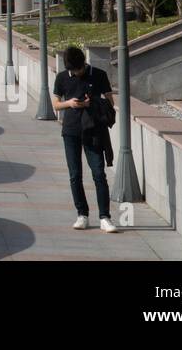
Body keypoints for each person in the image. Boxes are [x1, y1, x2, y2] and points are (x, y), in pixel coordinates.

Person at [52, 46, 118, 232]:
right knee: (75, 175)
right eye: (72, 70)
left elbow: (111, 103)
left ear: (84, 64)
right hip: (71, 131)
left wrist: (92, 103)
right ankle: (82, 214)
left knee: (98, 173)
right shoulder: (62, 77)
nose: (76, 73)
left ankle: (105, 217)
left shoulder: (99, 74)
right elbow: (56, 104)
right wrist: (70, 103)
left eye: (78, 69)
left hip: (93, 130)